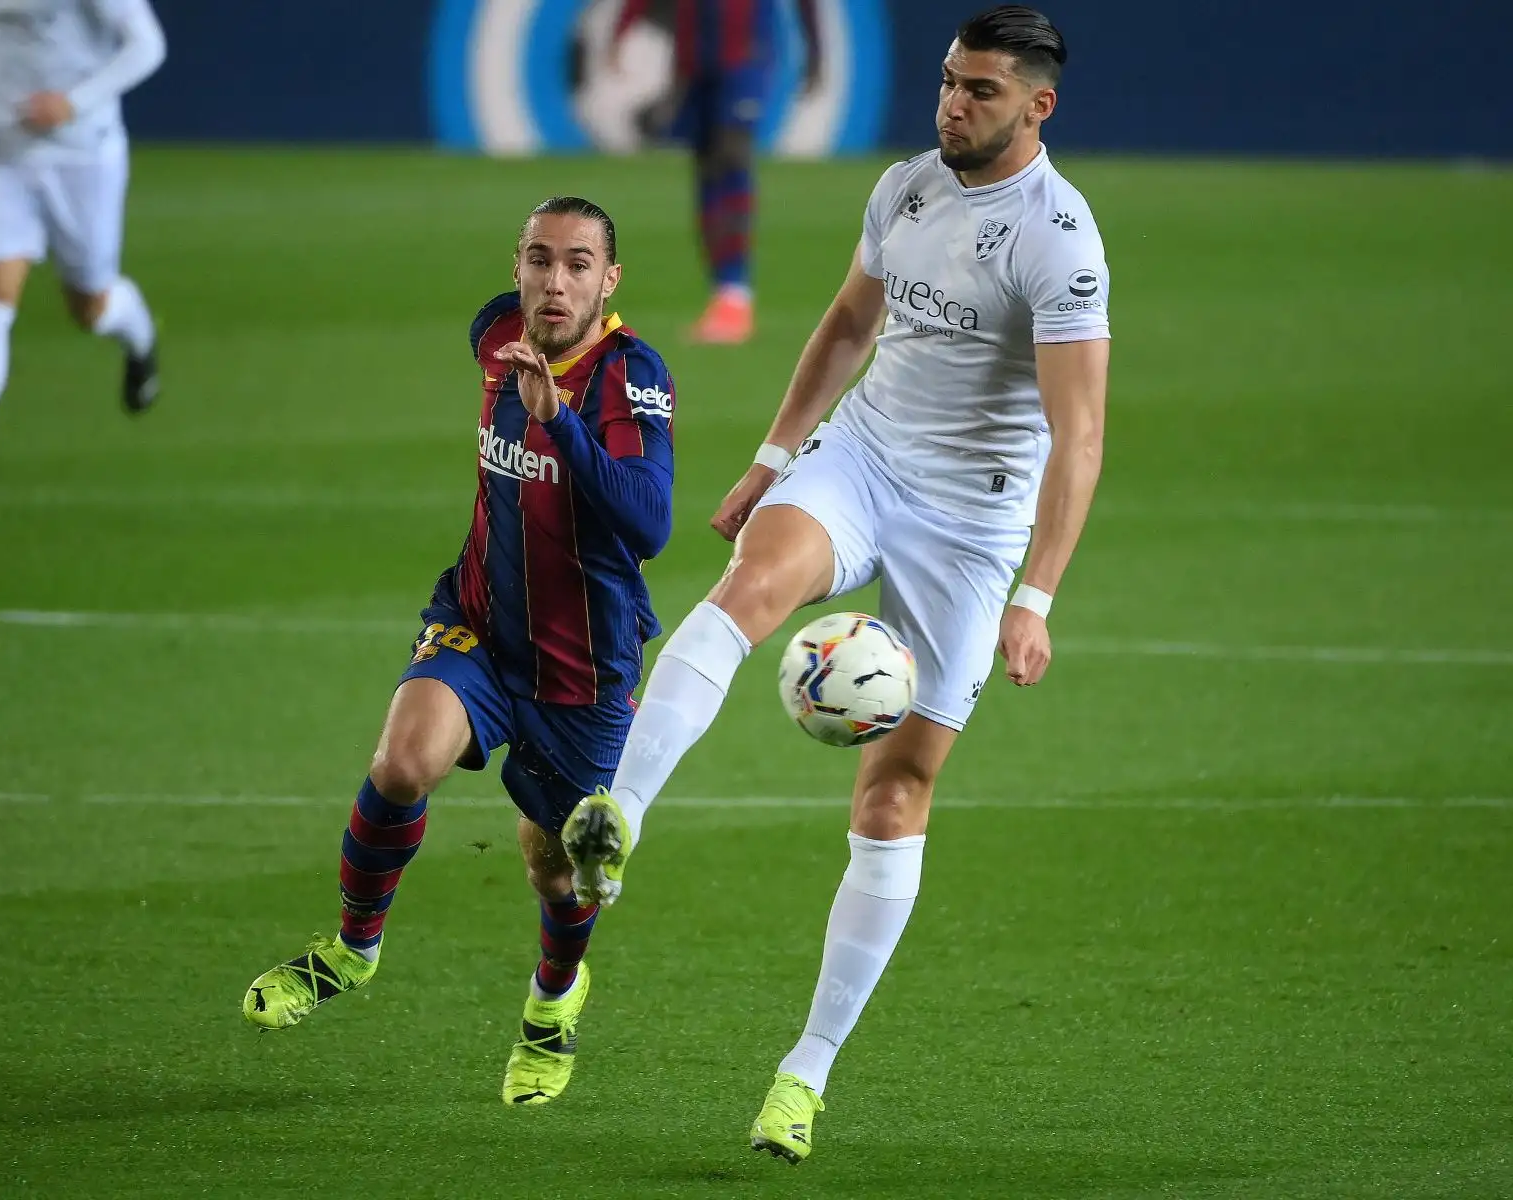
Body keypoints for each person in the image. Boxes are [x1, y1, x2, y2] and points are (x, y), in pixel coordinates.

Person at [558, 5, 1109, 1162]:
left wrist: (1036, 594)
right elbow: (848, 325)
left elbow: (1082, 434)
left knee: (893, 797)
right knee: (751, 590)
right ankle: (620, 816)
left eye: (982, 92)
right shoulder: (907, 185)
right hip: (863, 459)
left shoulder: (1061, 241)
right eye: (951, 83)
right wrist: (770, 461)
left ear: (1038, 108)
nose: (955, 104)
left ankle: (803, 1074)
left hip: (971, 527)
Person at [240, 197, 678, 1110]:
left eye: (578, 265)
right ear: (516, 264)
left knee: (553, 864)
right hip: (478, 621)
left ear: (611, 279)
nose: (555, 283)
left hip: (583, 667)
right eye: (538, 260)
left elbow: (649, 523)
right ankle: (352, 952)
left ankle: (552, 1007)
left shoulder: (631, 376)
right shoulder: (498, 337)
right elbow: (496, 342)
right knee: (403, 761)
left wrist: (556, 420)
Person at [0, 0, 166, 507]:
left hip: (83, 157)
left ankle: (138, 336)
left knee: (90, 307)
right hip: (1, 157)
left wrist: (75, 102)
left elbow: (148, 45)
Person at [610, 0, 821, 344]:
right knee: (707, 168)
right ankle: (725, 297)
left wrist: (815, 51)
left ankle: (737, 294)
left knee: (731, 156)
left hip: (746, 59)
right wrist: (623, 27)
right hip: (694, 62)